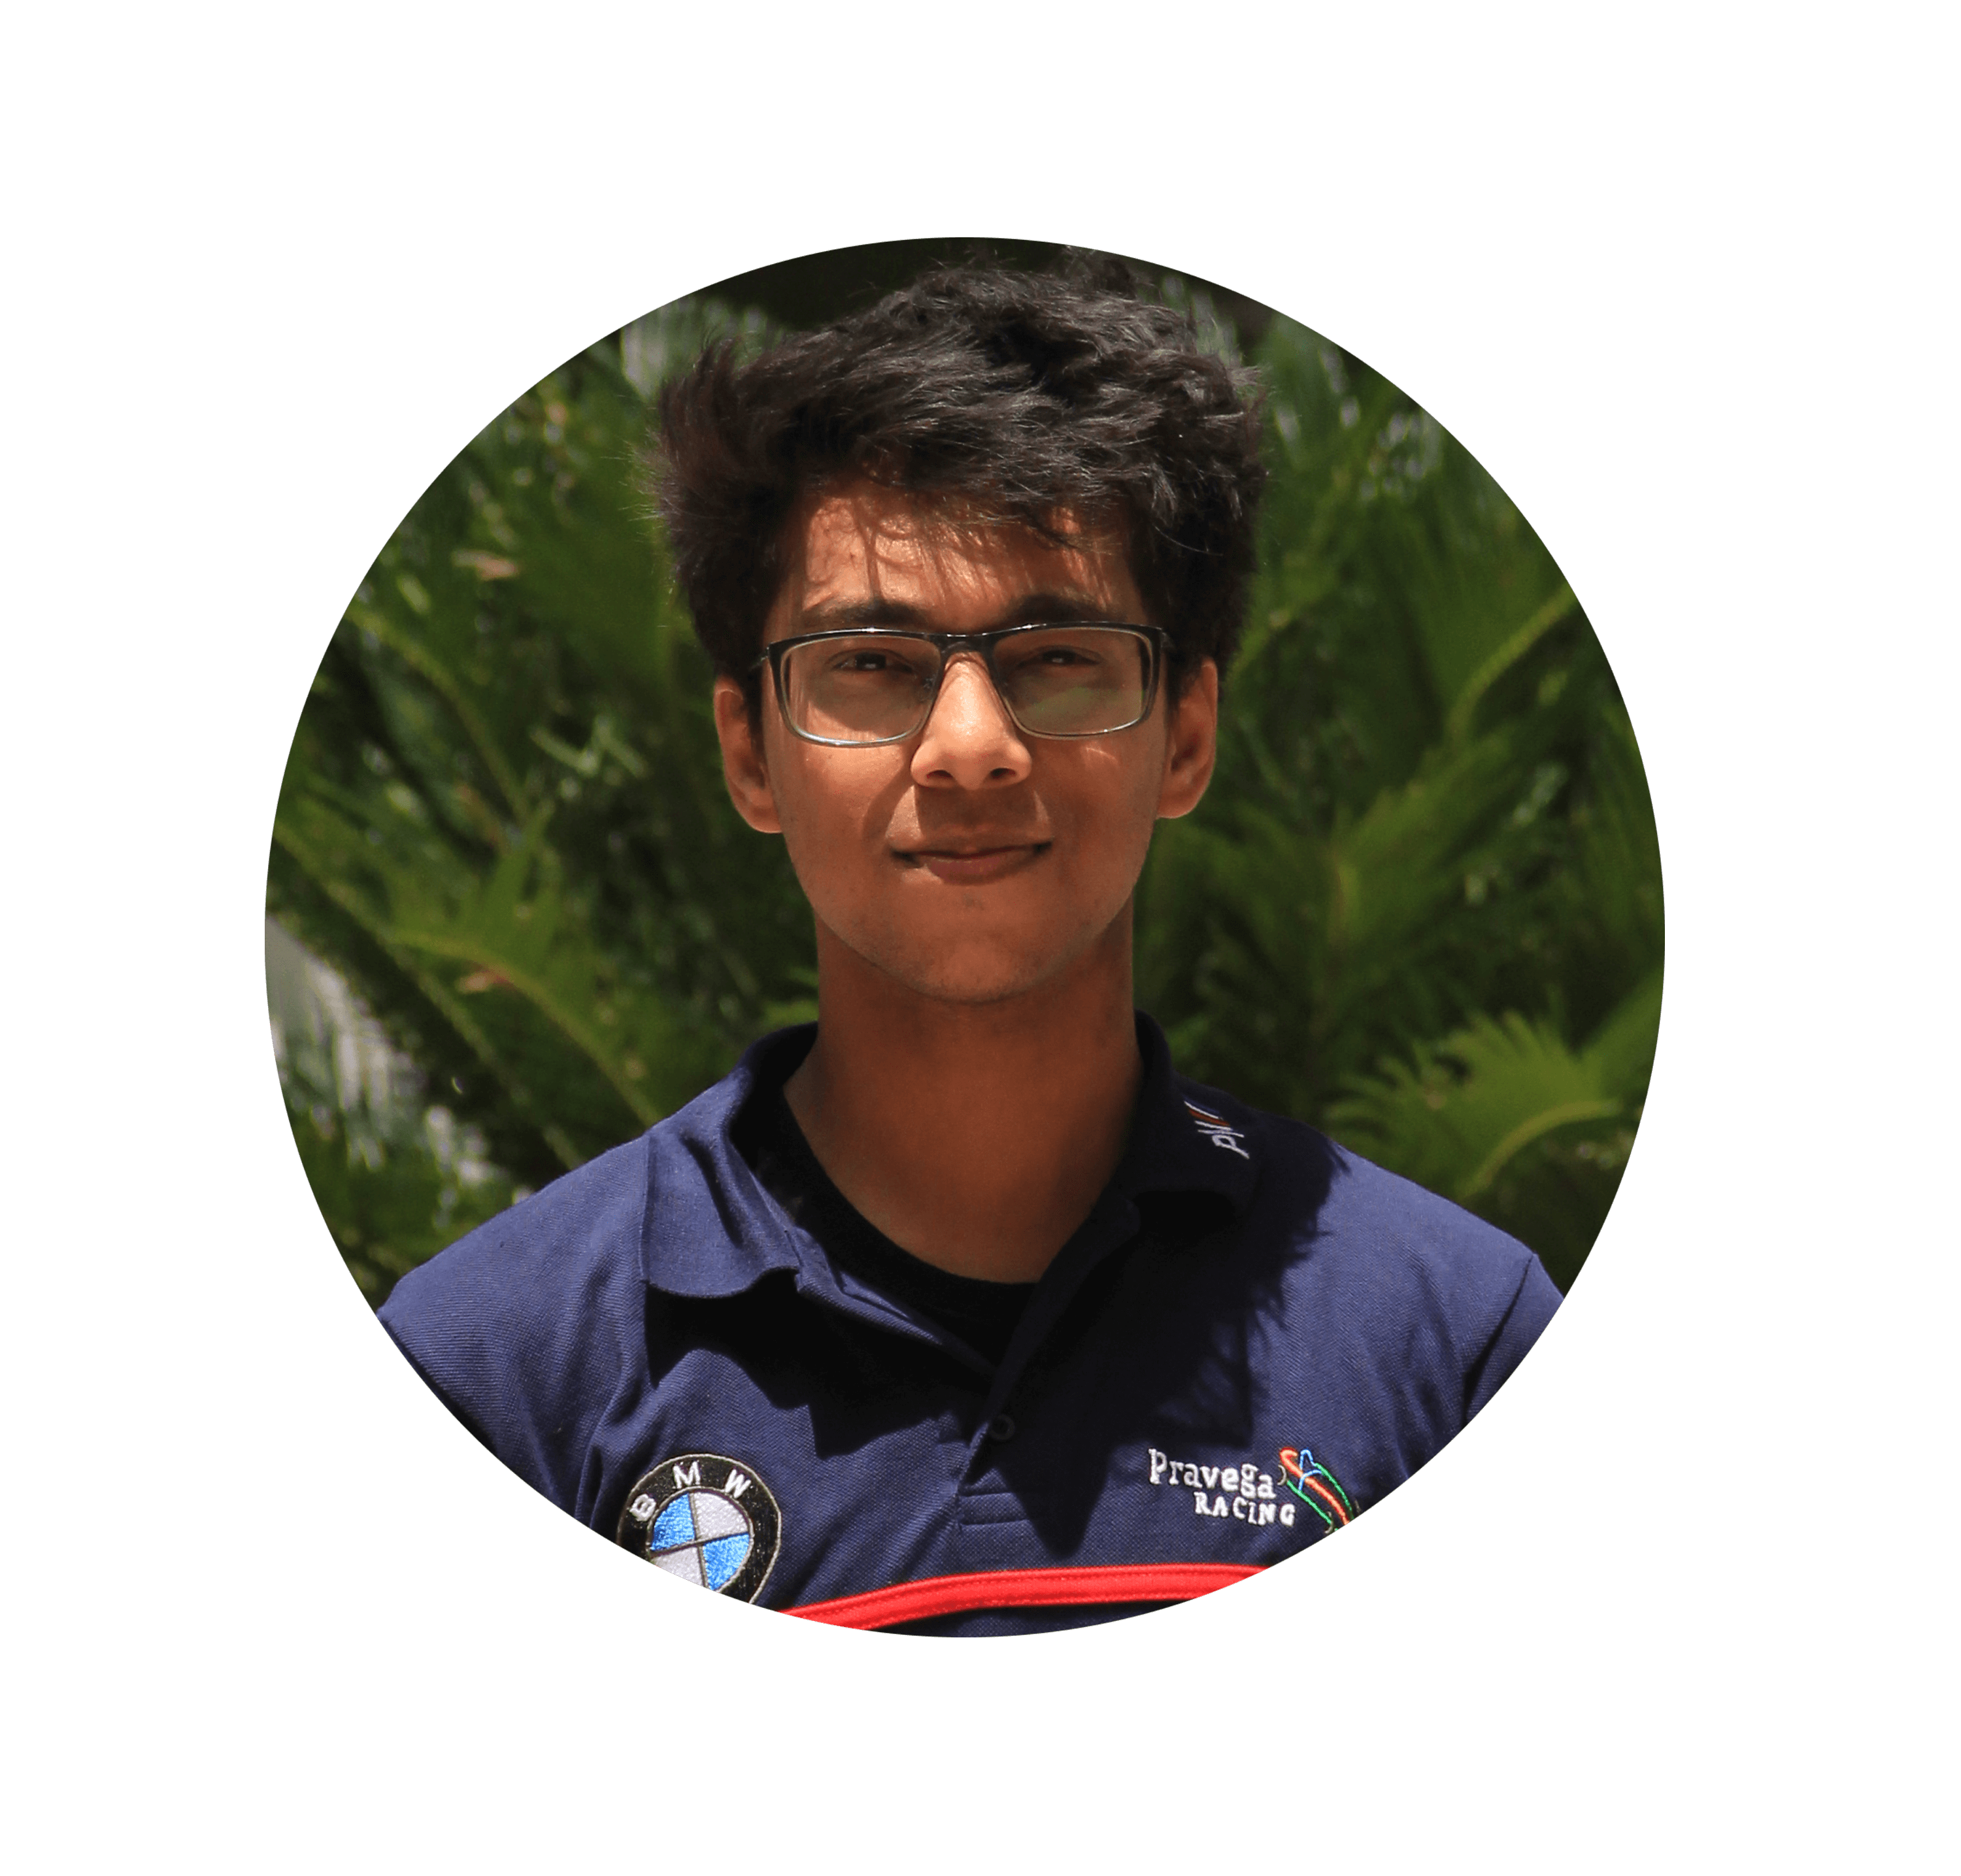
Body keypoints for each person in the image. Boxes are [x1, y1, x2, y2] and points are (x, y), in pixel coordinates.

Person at [377, 253, 1564, 1634]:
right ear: (750, 754)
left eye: (1058, 656)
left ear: (1186, 734)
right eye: (870, 665)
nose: (970, 746)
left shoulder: (1449, 1336)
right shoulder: (503, 1367)